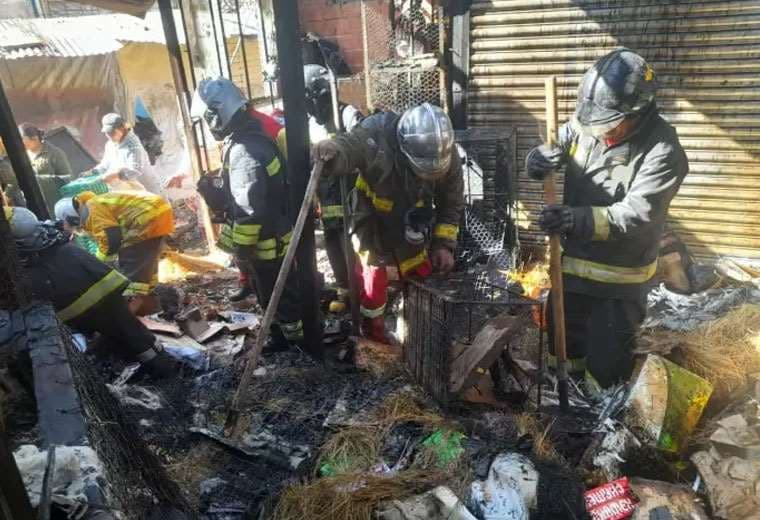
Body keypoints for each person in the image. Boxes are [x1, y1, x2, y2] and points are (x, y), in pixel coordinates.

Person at [525, 48, 689, 390]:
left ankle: (597, 427)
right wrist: (537, 159)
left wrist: (573, 220)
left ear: (637, 113)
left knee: (604, 374)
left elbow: (637, 213)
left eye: (607, 124)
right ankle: (560, 410)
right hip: (569, 274)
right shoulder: (589, 123)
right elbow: (558, 140)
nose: (598, 131)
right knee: (563, 356)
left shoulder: (664, 150)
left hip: (618, 288)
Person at [315, 103, 464, 343]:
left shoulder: (445, 154)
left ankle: (418, 330)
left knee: (419, 268)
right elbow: (351, 145)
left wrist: (443, 244)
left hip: (410, 216)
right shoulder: (377, 134)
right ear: (404, 148)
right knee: (374, 278)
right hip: (371, 216)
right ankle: (372, 335)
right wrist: (334, 151)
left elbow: (452, 202)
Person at [193, 77, 304, 350]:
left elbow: (249, 208)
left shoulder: (243, 150)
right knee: (281, 290)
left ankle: (291, 344)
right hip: (275, 234)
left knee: (275, 294)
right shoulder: (254, 138)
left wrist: (241, 249)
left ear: (216, 114)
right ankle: (288, 334)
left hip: (265, 243)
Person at [5, 206, 176, 378]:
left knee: (121, 339)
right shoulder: (64, 247)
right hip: (108, 299)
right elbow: (104, 272)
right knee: (132, 333)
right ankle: (161, 368)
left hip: (81, 315)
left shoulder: (31, 270)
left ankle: (156, 369)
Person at [55, 190, 175, 315]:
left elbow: (111, 238)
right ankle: (154, 310)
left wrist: (99, 264)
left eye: (75, 226)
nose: (78, 228)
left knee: (131, 266)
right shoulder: (96, 203)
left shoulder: (92, 209)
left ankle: (130, 316)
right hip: (157, 212)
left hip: (144, 217)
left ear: (71, 217)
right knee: (146, 267)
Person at [304, 64, 363, 311]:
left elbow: (363, 148)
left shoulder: (348, 115)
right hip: (326, 196)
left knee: (348, 241)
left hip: (348, 192)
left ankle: (360, 290)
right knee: (331, 240)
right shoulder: (310, 124)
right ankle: (344, 290)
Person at [93, 113, 162, 194]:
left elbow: (135, 171)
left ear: (122, 128)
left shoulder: (133, 145)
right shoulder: (110, 145)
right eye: (107, 133)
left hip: (150, 192)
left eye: (112, 132)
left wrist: (115, 175)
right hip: (130, 195)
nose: (109, 136)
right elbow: (105, 164)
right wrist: (94, 171)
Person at [19, 123, 74, 216]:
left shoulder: (55, 153)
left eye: (22, 139)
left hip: (56, 204)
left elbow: (68, 178)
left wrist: (39, 180)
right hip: (36, 205)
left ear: (35, 139)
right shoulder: (23, 155)